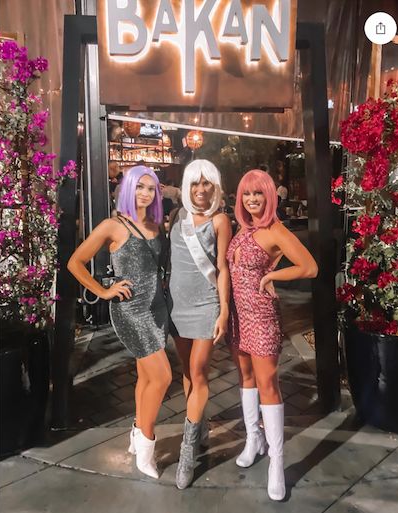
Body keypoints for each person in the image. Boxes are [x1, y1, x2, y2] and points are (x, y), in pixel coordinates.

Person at [67, 165, 172, 480]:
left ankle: (137, 433)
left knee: (145, 378)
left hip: (157, 309)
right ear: (128, 189)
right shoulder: (113, 225)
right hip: (130, 311)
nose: (145, 193)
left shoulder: (157, 225)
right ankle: (146, 446)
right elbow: (75, 262)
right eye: (139, 187)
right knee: (163, 377)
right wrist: (103, 291)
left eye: (150, 188)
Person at [226, 170, 318, 501]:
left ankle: (277, 462)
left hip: (262, 316)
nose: (252, 200)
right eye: (247, 194)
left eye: (258, 194)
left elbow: (309, 267)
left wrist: (272, 275)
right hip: (237, 316)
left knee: (268, 384)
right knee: (245, 377)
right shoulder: (243, 228)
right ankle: (254, 439)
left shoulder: (275, 230)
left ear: (269, 197)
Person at [168, 159, 232, 489]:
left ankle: (187, 450)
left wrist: (223, 311)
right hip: (177, 307)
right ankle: (201, 422)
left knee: (199, 372)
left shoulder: (220, 221)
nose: (201, 189)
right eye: (196, 183)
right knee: (186, 373)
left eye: (207, 183)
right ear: (187, 185)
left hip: (206, 305)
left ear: (215, 186)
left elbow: (222, 268)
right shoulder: (176, 218)